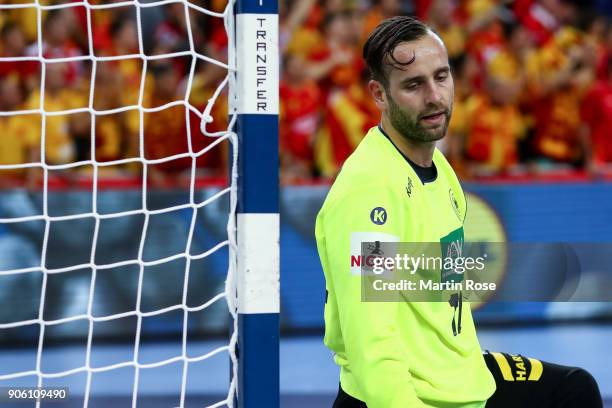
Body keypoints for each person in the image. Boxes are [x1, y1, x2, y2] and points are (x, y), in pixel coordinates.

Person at [314, 16, 603, 407]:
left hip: (455, 374)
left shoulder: (440, 169)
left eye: (441, 76)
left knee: (571, 388)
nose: (435, 96)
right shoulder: (370, 197)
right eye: (414, 85)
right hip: (411, 393)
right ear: (379, 95)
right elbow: (372, 343)